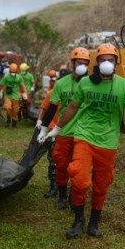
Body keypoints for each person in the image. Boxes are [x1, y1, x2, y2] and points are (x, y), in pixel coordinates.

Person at [42, 43, 125, 239]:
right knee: (79, 178)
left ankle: (94, 222)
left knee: (102, 184)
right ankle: (78, 221)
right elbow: (72, 107)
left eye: (110, 60)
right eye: (103, 60)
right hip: (84, 136)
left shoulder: (124, 86)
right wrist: (57, 128)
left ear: (116, 63)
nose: (107, 63)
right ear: (97, 62)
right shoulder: (86, 83)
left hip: (108, 142)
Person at [37, 47, 90, 210]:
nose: (82, 66)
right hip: (63, 132)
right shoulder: (61, 84)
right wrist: (44, 128)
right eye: (79, 62)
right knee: (60, 166)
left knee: (79, 169)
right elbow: (52, 107)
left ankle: (74, 196)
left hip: (83, 134)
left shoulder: (92, 84)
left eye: (85, 63)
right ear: (72, 63)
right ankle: (61, 194)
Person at [35, 69, 59, 198]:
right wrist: (40, 121)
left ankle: (63, 186)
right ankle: (53, 186)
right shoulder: (52, 93)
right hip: (52, 130)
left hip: (68, 131)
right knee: (53, 159)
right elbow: (44, 108)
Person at [0, 63, 27, 128]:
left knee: (15, 110)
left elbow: (22, 86)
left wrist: (24, 93)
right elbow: (1, 85)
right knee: (7, 107)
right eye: (12, 70)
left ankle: (14, 123)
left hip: (16, 96)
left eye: (14, 71)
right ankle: (9, 119)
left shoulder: (19, 77)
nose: (13, 72)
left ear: (16, 70)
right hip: (8, 95)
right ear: (9, 70)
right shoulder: (6, 77)